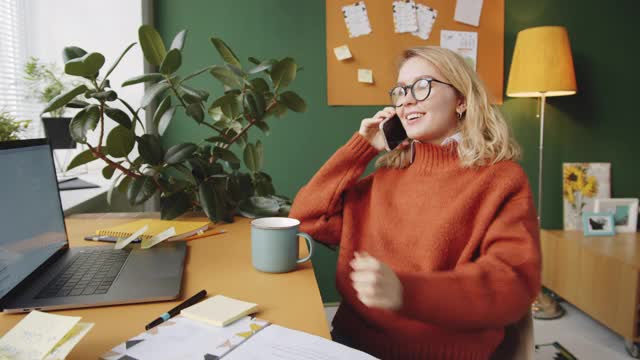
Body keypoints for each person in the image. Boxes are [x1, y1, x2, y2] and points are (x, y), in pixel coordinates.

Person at [289, 46, 541, 360]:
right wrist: (362, 147)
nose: (406, 99)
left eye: (422, 86)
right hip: (352, 345)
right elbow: (307, 217)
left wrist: (406, 292)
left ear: (461, 100)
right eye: (401, 91)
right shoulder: (386, 176)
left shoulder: (501, 180)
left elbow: (511, 285)